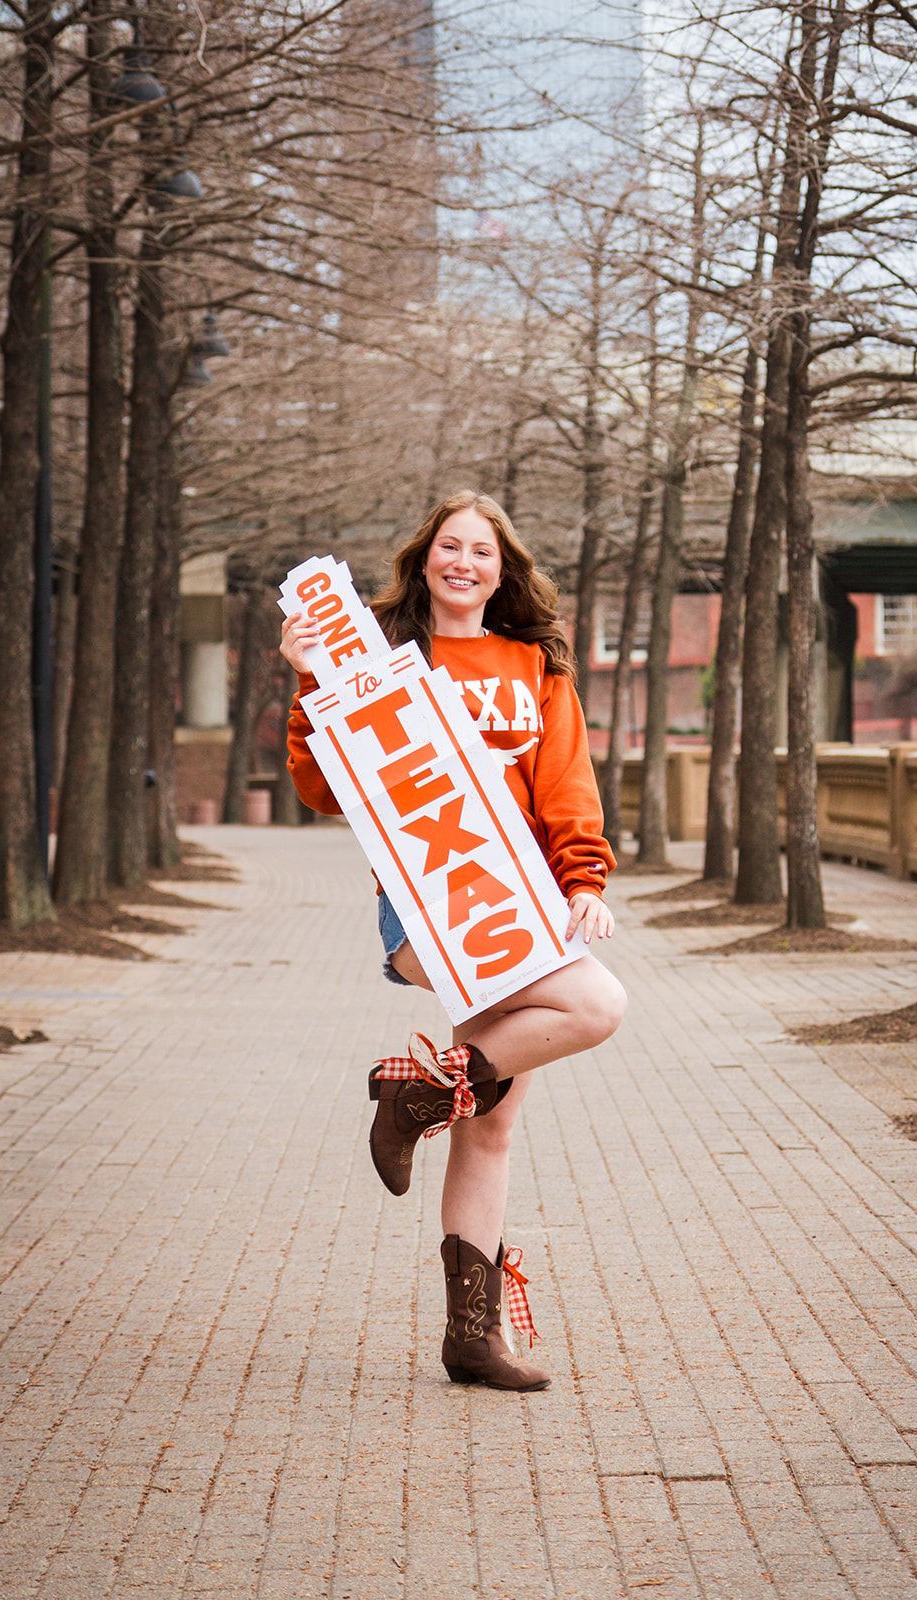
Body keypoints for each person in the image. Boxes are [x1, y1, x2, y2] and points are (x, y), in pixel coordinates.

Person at [281, 489, 627, 1392]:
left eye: (481, 550)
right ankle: (415, 1100)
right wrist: (313, 682)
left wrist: (583, 880)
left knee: (496, 1121)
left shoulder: (533, 662)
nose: (464, 561)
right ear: (424, 558)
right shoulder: (381, 657)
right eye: (449, 546)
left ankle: (469, 1340)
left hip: (518, 903)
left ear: (501, 567)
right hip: (425, 904)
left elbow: (564, 784)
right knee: (595, 1004)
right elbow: (323, 790)